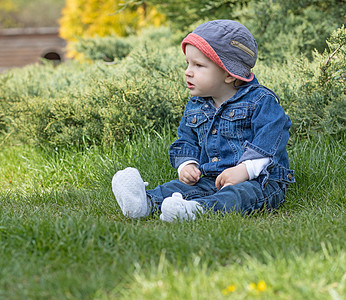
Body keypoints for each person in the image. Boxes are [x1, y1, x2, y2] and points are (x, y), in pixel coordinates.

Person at [111, 20, 295, 222]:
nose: (188, 72)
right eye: (187, 64)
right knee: (177, 187)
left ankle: (196, 210)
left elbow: (270, 139)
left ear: (227, 73)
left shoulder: (260, 101)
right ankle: (143, 204)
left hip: (259, 181)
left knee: (238, 195)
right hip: (210, 178)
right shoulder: (197, 104)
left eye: (198, 65)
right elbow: (186, 140)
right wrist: (187, 165)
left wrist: (244, 170)